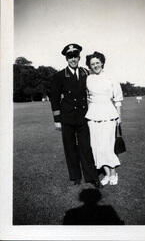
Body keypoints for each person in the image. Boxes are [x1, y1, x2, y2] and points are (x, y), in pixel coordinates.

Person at [50, 44, 101, 188]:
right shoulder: (59, 76)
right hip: (67, 118)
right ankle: (76, 176)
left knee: (86, 147)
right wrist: (57, 120)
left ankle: (92, 177)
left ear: (79, 57)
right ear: (66, 59)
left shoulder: (86, 72)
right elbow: (54, 99)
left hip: (84, 117)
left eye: (75, 56)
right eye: (70, 57)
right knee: (70, 148)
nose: (73, 59)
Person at [85, 51, 123, 186]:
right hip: (93, 115)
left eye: (97, 63)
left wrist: (119, 116)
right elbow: (88, 97)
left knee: (107, 145)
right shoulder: (88, 79)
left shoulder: (110, 77)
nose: (95, 66)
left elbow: (117, 98)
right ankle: (106, 174)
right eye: (92, 64)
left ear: (102, 63)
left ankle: (114, 173)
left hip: (108, 114)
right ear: (89, 66)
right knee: (96, 146)